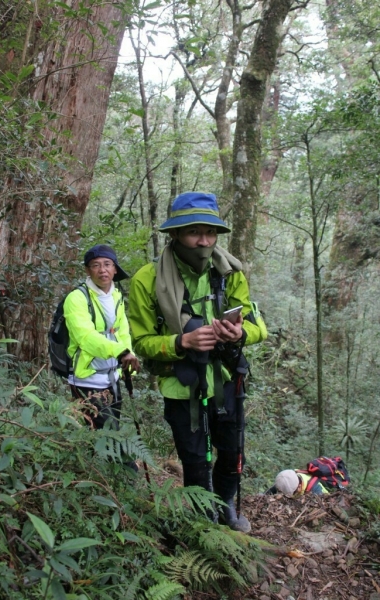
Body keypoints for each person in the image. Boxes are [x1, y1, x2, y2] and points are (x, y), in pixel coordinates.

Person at [128, 192, 265, 532]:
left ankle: (226, 507)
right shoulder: (147, 279)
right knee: (194, 459)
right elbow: (140, 342)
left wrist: (240, 333)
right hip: (180, 382)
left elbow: (258, 326)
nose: (203, 241)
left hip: (227, 376)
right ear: (174, 234)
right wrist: (181, 341)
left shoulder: (229, 272)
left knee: (232, 453)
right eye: (193, 232)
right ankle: (203, 521)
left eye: (210, 232)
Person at [64, 244, 140, 430]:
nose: (102, 270)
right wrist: (121, 353)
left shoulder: (116, 296)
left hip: (112, 376)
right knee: (106, 434)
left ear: (115, 269)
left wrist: (128, 363)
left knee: (113, 430)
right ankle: (123, 461)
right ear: (87, 271)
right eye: (95, 265)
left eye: (107, 264)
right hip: (87, 380)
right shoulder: (76, 298)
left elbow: (122, 332)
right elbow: (86, 337)